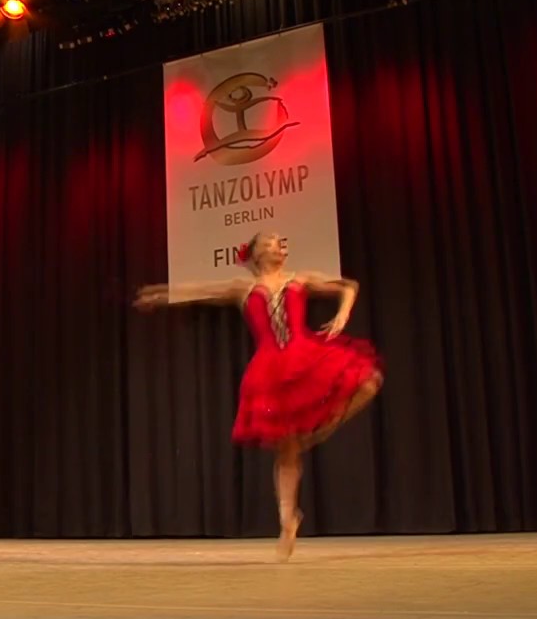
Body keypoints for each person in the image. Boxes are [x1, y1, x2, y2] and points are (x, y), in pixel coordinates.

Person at [135, 231, 384, 561]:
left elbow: (348, 286)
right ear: (253, 255)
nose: (275, 246)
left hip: (305, 354)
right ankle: (287, 522)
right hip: (270, 369)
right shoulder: (244, 289)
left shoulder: (300, 279)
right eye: (267, 242)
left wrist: (342, 315)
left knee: (369, 381)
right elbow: (200, 291)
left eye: (279, 242)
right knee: (286, 448)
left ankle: (323, 431)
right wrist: (159, 295)